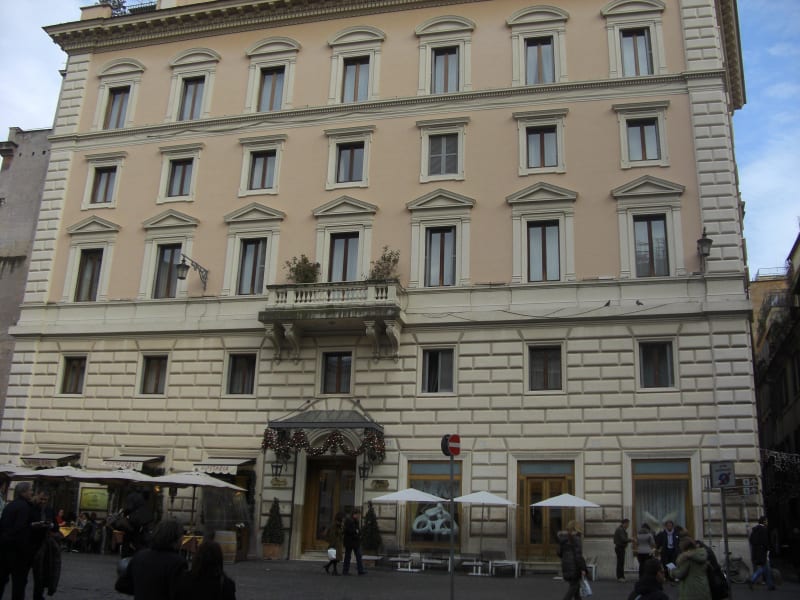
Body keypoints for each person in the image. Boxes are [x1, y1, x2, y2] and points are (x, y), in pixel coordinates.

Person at [117, 518, 187, 600]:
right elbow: (179, 593)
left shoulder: (140, 556)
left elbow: (122, 585)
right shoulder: (177, 562)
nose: (182, 539)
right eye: (181, 535)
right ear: (175, 538)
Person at [0, 482, 36, 600]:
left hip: (4, 547)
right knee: (19, 583)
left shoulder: (9, 506)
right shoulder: (25, 507)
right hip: (18, 551)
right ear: (23, 492)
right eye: (30, 490)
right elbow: (20, 528)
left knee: (2, 579)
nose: (32, 493)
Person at [30, 490, 61, 600]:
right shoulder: (32, 508)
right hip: (32, 543)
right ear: (37, 497)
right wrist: (34, 524)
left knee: (42, 572)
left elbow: (56, 527)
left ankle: (38, 595)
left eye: (45, 500)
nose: (43, 501)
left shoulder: (49, 510)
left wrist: (51, 525)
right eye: (41, 499)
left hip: (45, 545)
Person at [672, 536, 711, 600]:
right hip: (703, 587)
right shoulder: (701, 553)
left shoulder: (687, 558)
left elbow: (680, 574)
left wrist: (672, 571)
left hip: (691, 590)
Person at [557, 520, 587, 600]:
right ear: (576, 528)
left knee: (576, 588)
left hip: (566, 565)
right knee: (574, 587)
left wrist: (566, 558)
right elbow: (578, 556)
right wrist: (583, 568)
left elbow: (559, 553)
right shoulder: (576, 538)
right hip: (575, 567)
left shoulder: (563, 538)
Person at [748, 515, 775, 590]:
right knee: (764, 568)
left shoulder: (755, 529)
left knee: (767, 569)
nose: (767, 522)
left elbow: (751, 540)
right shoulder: (763, 530)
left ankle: (770, 585)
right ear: (764, 521)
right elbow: (765, 542)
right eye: (766, 521)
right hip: (762, 552)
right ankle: (752, 579)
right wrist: (768, 550)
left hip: (756, 552)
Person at [342, 508, 365, 576]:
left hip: (355, 542)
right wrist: (356, 532)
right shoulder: (349, 521)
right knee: (348, 556)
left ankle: (360, 570)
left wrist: (357, 532)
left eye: (359, 514)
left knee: (358, 556)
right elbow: (350, 531)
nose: (359, 516)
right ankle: (345, 571)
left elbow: (358, 530)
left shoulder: (355, 521)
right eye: (358, 514)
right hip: (350, 541)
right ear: (354, 514)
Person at [614, 518, 632, 582]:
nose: (628, 525)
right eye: (628, 524)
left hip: (620, 547)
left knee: (621, 562)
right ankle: (620, 577)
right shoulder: (620, 530)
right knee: (620, 563)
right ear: (625, 523)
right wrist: (631, 540)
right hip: (620, 548)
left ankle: (621, 576)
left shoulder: (621, 529)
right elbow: (623, 539)